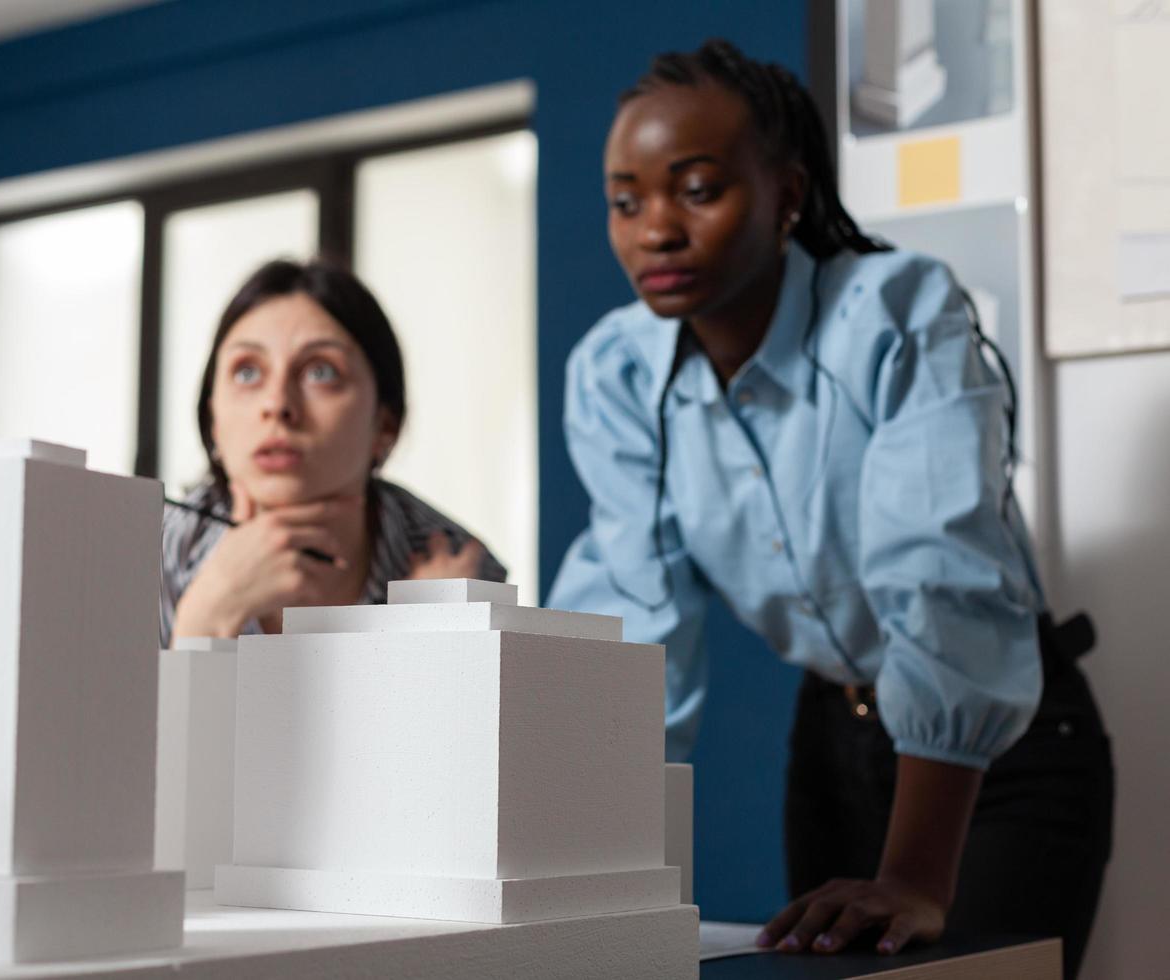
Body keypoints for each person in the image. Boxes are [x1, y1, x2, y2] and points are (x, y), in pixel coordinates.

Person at [548, 40, 1112, 978]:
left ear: (790, 194)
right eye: (626, 199)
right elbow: (641, 630)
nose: (656, 229)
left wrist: (916, 875)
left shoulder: (895, 313)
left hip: (1001, 734)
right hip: (835, 740)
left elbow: (940, 581)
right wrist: (582, 881)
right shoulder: (616, 374)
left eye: (697, 189)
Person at [161, 257, 505, 644]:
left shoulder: (457, 571)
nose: (277, 404)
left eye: (321, 372)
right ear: (213, 420)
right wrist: (209, 615)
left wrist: (434, 649)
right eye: (247, 372)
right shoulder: (148, 553)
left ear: (385, 425)